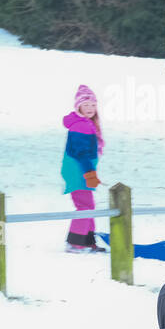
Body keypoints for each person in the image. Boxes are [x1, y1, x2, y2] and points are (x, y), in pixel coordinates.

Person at [60, 84, 106, 253]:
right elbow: (81, 153)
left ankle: (87, 241)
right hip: (78, 171)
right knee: (84, 207)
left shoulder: (86, 123)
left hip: (81, 171)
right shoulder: (80, 126)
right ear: (78, 106)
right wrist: (90, 174)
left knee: (88, 206)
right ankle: (75, 242)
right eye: (86, 105)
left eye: (93, 105)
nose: (90, 108)